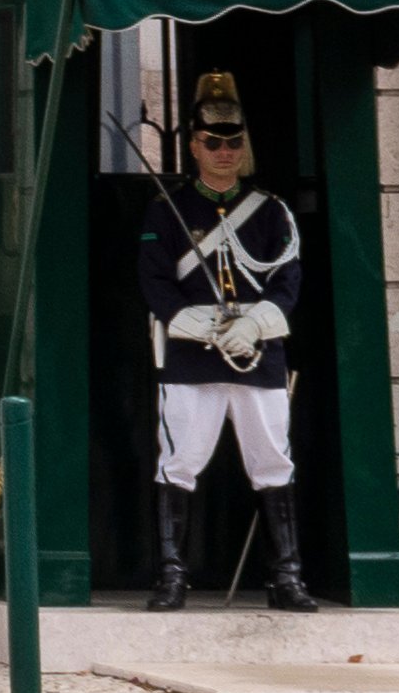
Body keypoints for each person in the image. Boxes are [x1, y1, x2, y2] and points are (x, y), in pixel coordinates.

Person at [135, 67, 317, 613]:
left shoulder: (272, 211)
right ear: (193, 145)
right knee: (179, 462)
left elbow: (287, 279)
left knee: (272, 462)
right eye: (212, 142)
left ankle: (287, 578)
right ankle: (172, 577)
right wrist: (195, 324)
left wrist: (255, 324)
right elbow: (154, 280)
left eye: (232, 142)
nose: (223, 152)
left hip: (257, 354)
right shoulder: (167, 210)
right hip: (192, 356)